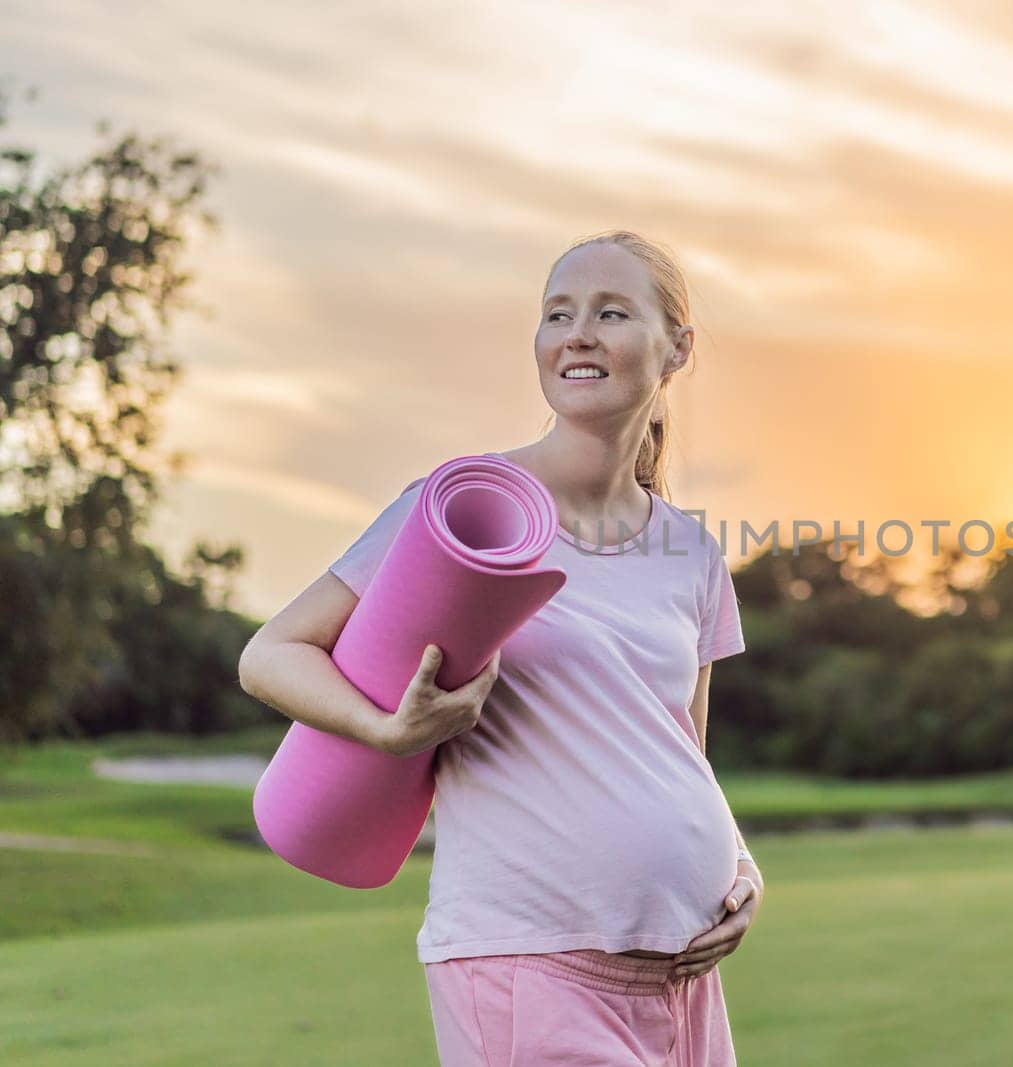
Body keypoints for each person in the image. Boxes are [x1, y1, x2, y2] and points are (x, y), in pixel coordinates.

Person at [238, 230, 760, 1065]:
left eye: (611, 312)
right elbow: (270, 652)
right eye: (558, 314)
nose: (576, 333)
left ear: (677, 348)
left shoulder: (691, 552)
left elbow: (683, 754)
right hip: (528, 965)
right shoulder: (464, 508)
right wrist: (385, 728)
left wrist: (739, 864)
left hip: (686, 980)